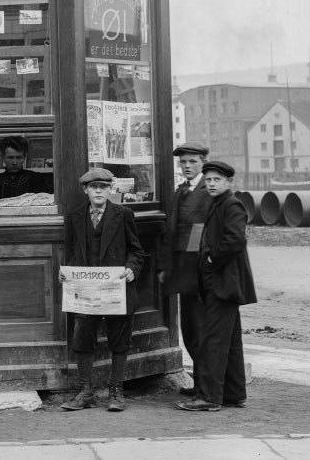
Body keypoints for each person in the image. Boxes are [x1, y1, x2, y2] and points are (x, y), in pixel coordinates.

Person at [58, 168, 143, 412]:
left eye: (103, 187)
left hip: (116, 289)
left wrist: (131, 269)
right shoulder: (75, 216)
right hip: (86, 291)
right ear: (85, 190)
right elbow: (72, 251)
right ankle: (85, 391)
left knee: (119, 340)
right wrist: (67, 271)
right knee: (83, 337)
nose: (98, 191)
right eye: (93, 187)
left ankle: (116, 390)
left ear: (110, 189)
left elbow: (136, 251)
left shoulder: (123, 214)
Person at [176, 161, 257, 412]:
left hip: (223, 283)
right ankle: (233, 393)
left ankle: (209, 397)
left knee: (213, 340)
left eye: (216, 180)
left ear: (228, 182)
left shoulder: (232, 205)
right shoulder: (218, 203)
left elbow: (235, 240)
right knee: (230, 341)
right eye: (208, 180)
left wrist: (212, 258)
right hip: (224, 283)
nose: (211, 184)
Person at [157, 142, 212, 397]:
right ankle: (200, 382)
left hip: (198, 271)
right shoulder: (182, 191)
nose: (187, 167)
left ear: (203, 162)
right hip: (182, 271)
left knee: (200, 328)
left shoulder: (207, 190)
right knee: (189, 329)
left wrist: (192, 263)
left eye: (192, 162)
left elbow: (201, 231)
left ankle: (205, 386)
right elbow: (171, 230)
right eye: (183, 163)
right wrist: (166, 266)